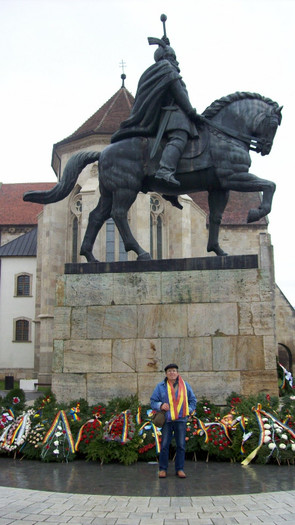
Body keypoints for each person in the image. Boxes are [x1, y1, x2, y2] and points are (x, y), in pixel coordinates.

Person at [111, 19, 199, 187]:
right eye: (174, 57)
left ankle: (170, 185)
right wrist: (192, 112)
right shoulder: (167, 69)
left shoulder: (161, 70)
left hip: (168, 118)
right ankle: (165, 170)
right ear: (166, 58)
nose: (177, 61)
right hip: (173, 118)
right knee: (179, 139)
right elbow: (179, 95)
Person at [150, 364, 197, 478]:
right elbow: (153, 401)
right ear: (166, 374)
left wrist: (188, 410)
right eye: (169, 371)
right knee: (165, 444)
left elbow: (193, 400)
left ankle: (180, 469)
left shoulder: (185, 386)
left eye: (174, 371)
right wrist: (160, 405)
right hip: (167, 419)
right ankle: (163, 469)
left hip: (181, 419)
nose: (172, 373)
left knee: (181, 445)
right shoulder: (160, 386)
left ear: (177, 373)